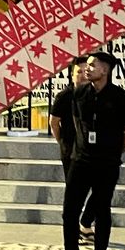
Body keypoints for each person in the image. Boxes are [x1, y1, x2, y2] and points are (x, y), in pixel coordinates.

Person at [49, 52, 125, 250]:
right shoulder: (78, 94)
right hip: (81, 161)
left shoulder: (121, 98)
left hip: (107, 163)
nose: (87, 69)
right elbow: (78, 126)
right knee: (70, 211)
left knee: (102, 212)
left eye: (92, 65)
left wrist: (114, 152)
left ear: (105, 70)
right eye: (86, 65)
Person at [46, 60, 88, 239]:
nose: (83, 75)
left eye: (86, 72)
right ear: (72, 74)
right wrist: (62, 142)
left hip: (91, 151)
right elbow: (54, 122)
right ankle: (74, 230)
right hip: (71, 151)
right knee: (74, 193)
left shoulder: (94, 95)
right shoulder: (64, 96)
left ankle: (85, 222)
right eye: (79, 72)